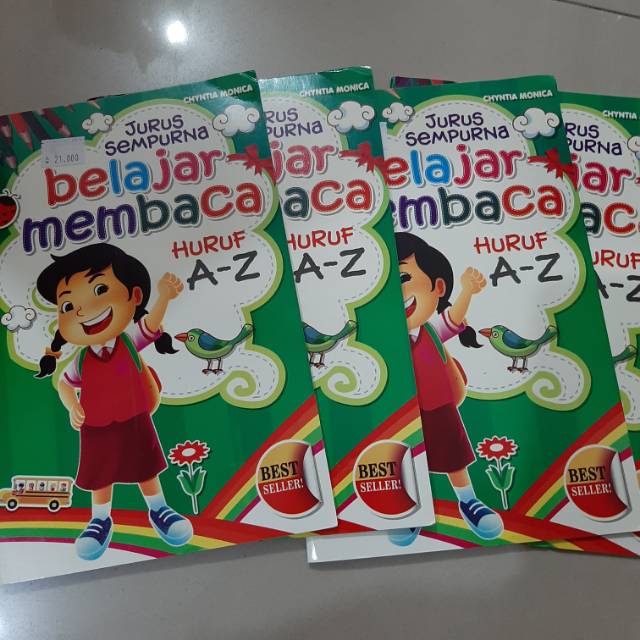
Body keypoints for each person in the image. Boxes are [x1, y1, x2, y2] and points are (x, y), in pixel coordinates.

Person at [36, 243, 193, 560]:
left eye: (100, 289)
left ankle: (159, 509)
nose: (82, 311)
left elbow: (150, 325)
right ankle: (99, 519)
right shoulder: (81, 360)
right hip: (96, 427)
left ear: (134, 296)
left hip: (134, 419)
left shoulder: (129, 340)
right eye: (68, 306)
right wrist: (72, 406)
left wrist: (164, 297)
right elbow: (64, 385)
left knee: (145, 467)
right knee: (101, 475)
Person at [389, 233, 503, 546]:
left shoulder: (429, 330)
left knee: (454, 459)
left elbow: (453, 318)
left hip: (439, 409)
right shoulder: (385, 343)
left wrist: (467, 291)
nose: (396, 291)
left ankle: (468, 501)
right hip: (400, 416)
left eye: (403, 278)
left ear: (438, 287)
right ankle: (413, 508)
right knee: (408, 460)